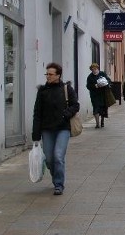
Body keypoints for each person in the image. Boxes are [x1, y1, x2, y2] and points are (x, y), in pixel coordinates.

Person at [32, 62, 80, 195]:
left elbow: (75, 105)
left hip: (62, 128)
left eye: (50, 74)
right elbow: (37, 113)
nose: (48, 76)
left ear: (58, 75)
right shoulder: (42, 91)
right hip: (46, 129)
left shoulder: (66, 89)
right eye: (46, 74)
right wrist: (35, 136)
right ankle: (55, 175)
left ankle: (58, 184)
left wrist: (66, 114)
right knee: (49, 159)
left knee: (58, 156)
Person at [86, 63, 112, 128]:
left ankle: (102, 121)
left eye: (95, 69)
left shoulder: (102, 74)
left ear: (98, 68)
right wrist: (95, 86)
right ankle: (97, 123)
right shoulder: (90, 77)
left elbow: (108, 80)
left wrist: (106, 83)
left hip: (103, 94)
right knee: (96, 108)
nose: (94, 70)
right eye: (92, 69)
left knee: (103, 108)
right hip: (94, 95)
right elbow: (88, 86)